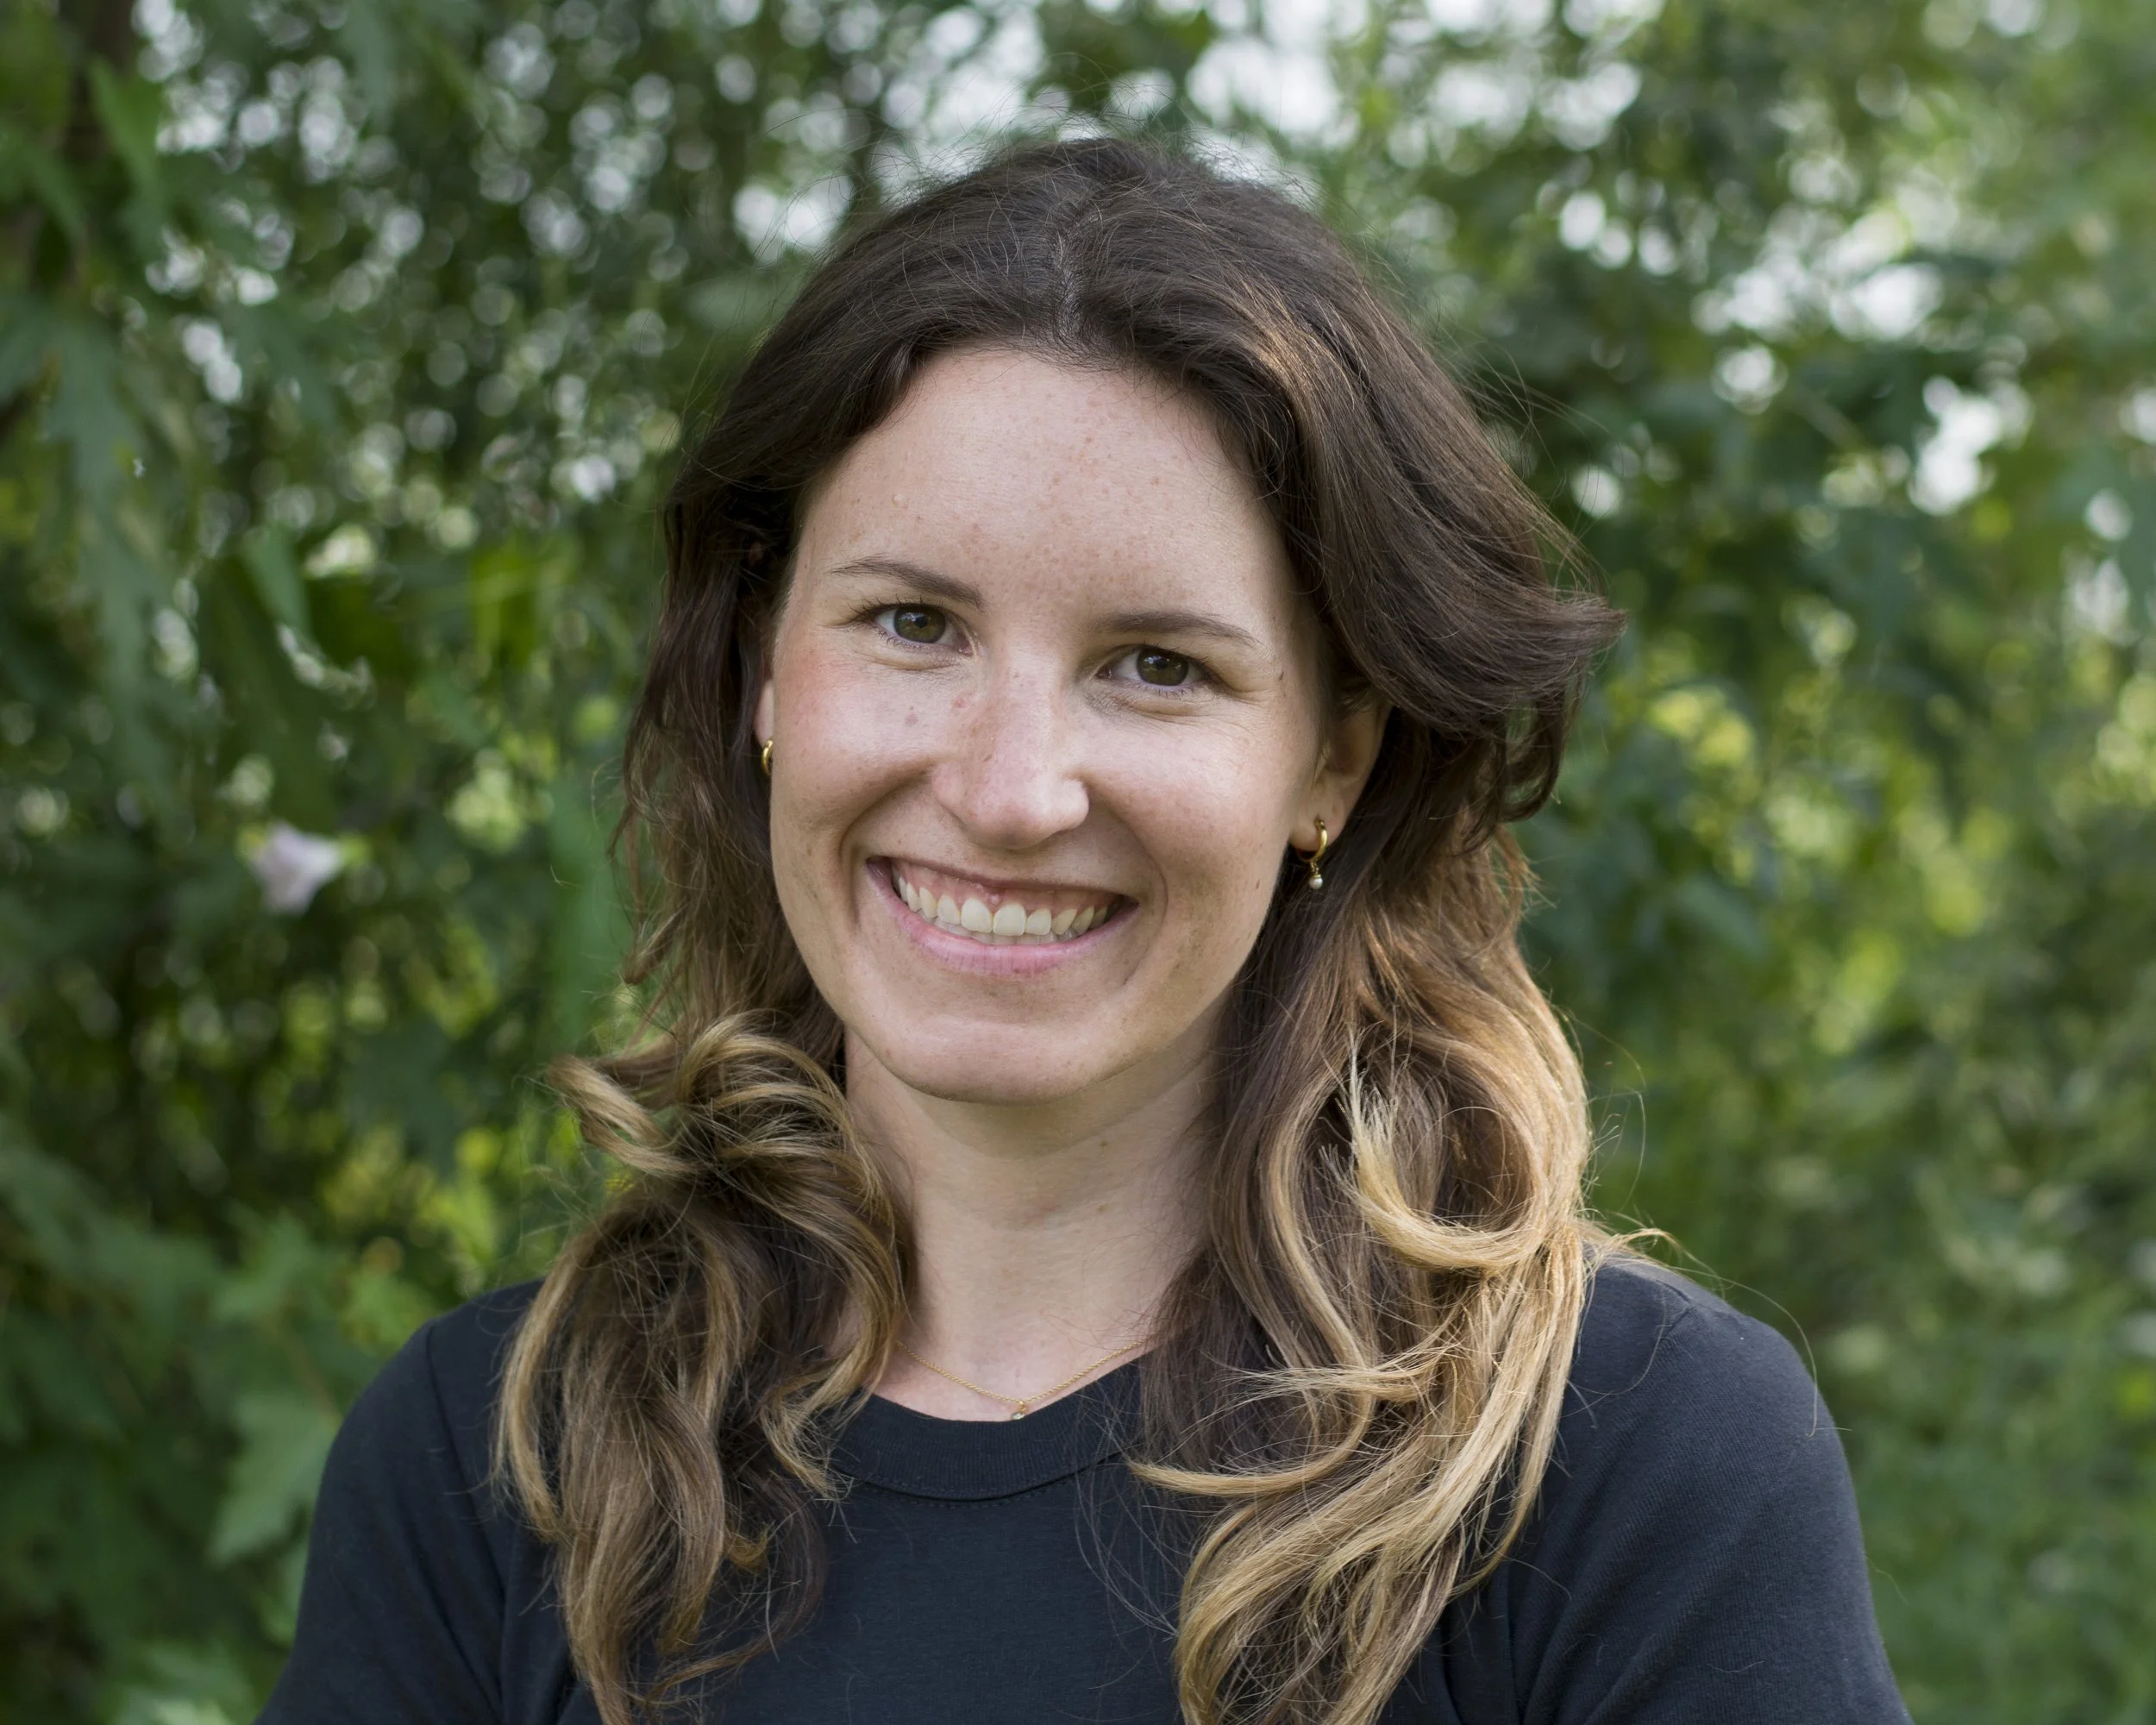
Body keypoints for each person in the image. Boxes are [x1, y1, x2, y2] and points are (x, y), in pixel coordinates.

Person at [261, 138, 1909, 1725]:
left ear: (1334, 754)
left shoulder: (1626, 1465)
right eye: (914, 624)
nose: (1006, 789)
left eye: (1157, 665)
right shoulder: (495, 1467)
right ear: (767, 664)